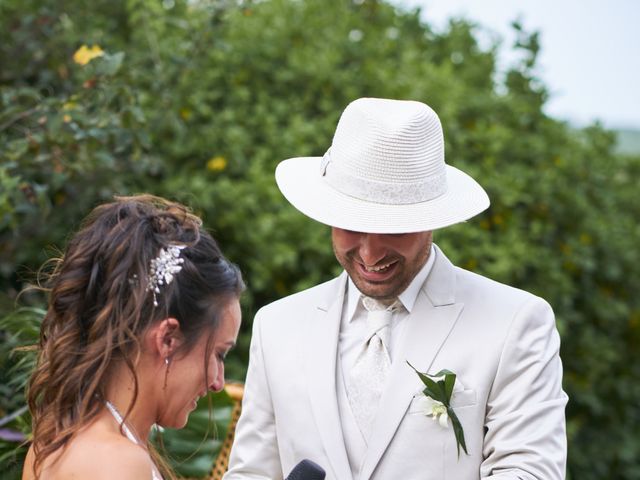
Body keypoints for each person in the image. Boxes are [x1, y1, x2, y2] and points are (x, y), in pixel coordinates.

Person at [224, 98, 567, 479]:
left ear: (431, 218)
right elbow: (252, 473)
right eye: (351, 224)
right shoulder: (277, 325)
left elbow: (530, 471)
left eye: (394, 227)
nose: (370, 253)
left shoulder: (515, 321)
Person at [22, 195, 244, 480]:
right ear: (167, 339)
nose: (218, 382)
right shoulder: (117, 464)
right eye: (218, 354)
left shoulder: (54, 440)